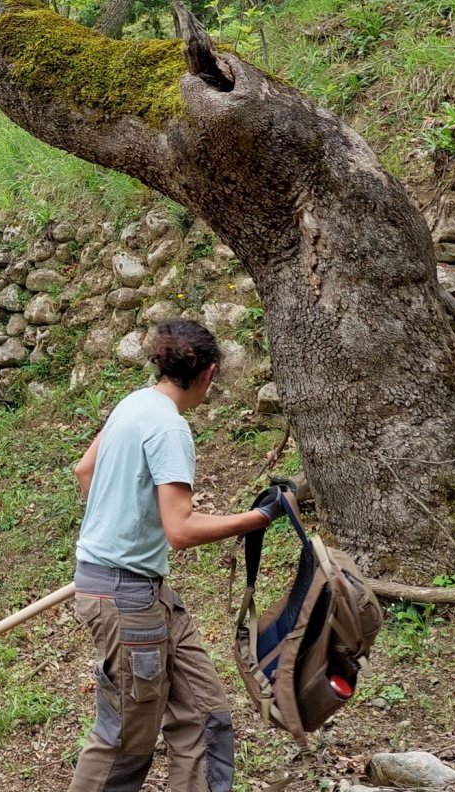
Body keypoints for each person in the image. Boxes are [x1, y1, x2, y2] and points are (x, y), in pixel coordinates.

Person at [67, 319, 287, 792]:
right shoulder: (169, 429)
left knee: (205, 716)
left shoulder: (133, 403)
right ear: (209, 374)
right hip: (126, 597)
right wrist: (259, 518)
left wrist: (120, 519)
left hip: (143, 590)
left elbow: (86, 472)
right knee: (126, 738)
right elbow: (181, 531)